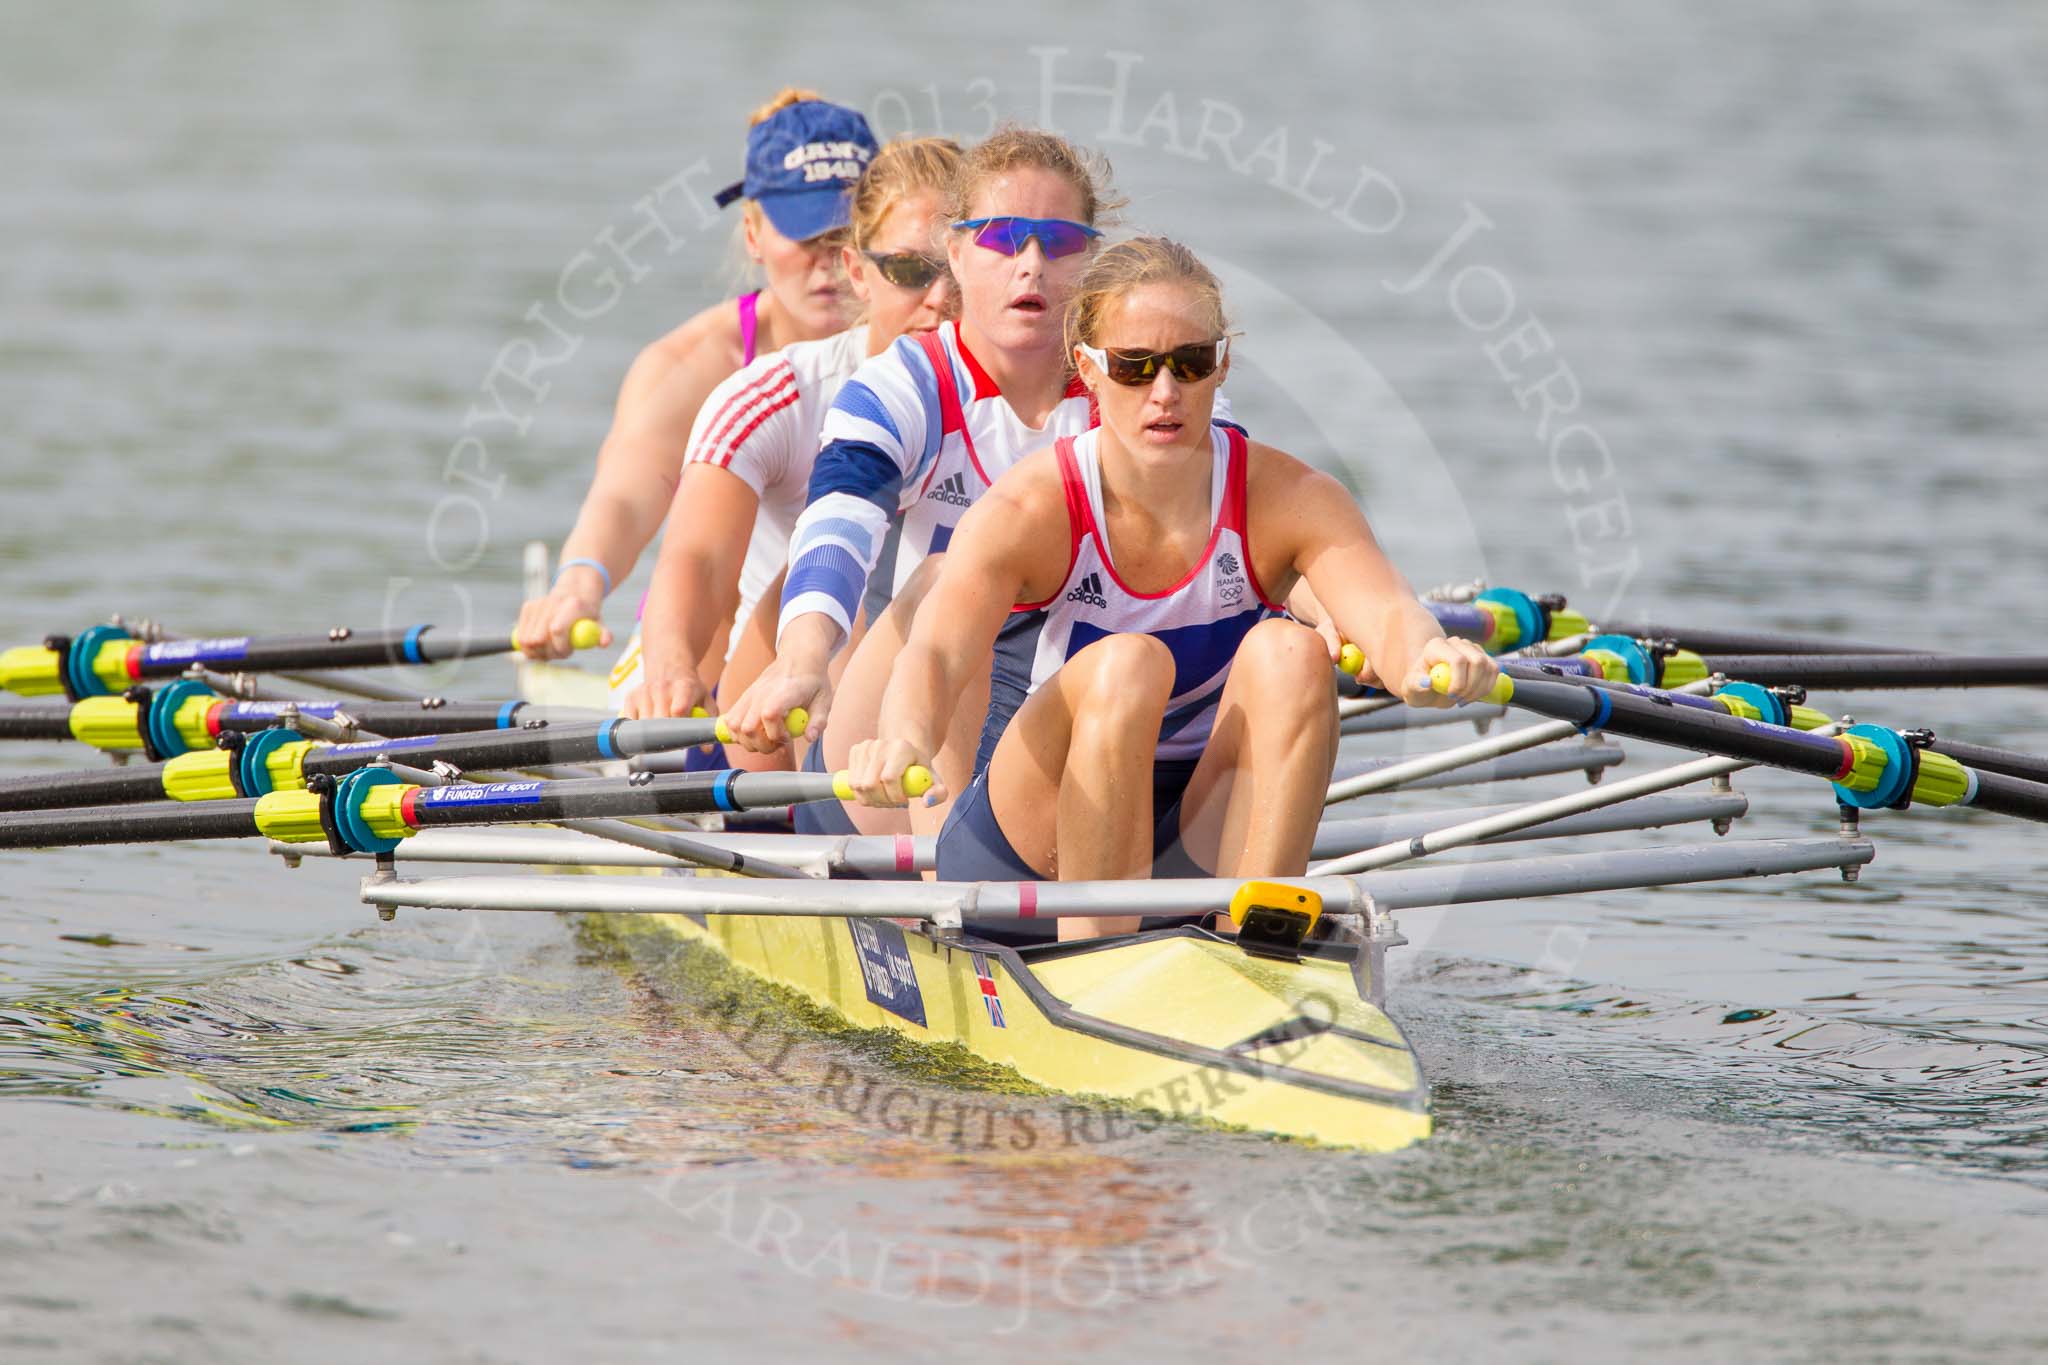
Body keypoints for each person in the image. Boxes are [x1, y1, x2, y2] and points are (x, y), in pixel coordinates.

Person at [842, 238, 1501, 939]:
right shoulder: (1031, 510)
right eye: (1135, 367)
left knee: (1293, 652)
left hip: (1189, 831)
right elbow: (938, 654)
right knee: (1130, 663)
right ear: (1088, 371)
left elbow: (1391, 616)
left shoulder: (1290, 496)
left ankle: (1259, 938)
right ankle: (1101, 967)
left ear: (1220, 366)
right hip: (1032, 847)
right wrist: (904, 738)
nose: (1165, 392)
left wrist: (1431, 658)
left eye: (1190, 363)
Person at [721, 127, 1236, 840]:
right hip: (888, 765)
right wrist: (805, 658)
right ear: (956, 254)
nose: (1030, 264)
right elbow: (837, 521)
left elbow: (1244, 521)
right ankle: (948, 884)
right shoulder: (903, 387)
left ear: (1091, 260)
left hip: (1061, 737)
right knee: (952, 575)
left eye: (1057, 241)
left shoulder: (1145, 383)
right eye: (1001, 238)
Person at [614, 137, 964, 780]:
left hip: (940, 688)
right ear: (858, 272)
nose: (939, 298)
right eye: (911, 271)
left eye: (959, 270)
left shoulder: (1034, 402)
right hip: (766, 705)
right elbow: (696, 558)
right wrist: (671, 667)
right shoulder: (775, 395)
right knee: (841, 563)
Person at [515, 90, 879, 662]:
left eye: (847, 233)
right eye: (807, 234)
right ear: (754, 234)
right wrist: (579, 584)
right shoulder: (695, 364)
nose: (829, 258)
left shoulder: (928, 347)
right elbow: (627, 496)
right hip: (715, 649)